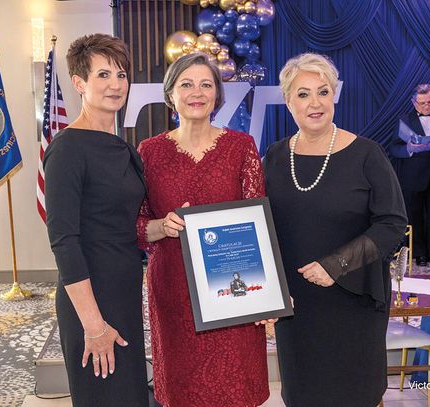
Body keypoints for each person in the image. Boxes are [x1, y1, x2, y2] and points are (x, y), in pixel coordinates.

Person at [264, 53, 407, 407]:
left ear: (334, 96)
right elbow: (261, 228)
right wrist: (266, 294)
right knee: (302, 395)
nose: (315, 103)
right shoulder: (275, 157)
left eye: (323, 92)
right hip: (296, 308)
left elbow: (392, 224)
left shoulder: (368, 154)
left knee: (354, 395)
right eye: (303, 94)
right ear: (288, 101)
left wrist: (336, 264)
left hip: (353, 302)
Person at [137, 52, 271, 407]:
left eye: (206, 84)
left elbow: (257, 224)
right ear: (170, 94)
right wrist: (162, 226)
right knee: (182, 391)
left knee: (235, 387)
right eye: (186, 84)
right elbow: (135, 225)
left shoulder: (241, 147)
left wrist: (266, 294)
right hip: (173, 288)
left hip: (231, 288)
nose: (196, 92)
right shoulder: (148, 152)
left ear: (217, 94)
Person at [43, 33, 148, 407]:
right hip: (91, 298)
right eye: (103, 75)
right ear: (79, 83)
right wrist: (94, 325)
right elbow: (64, 241)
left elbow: (126, 224)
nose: (116, 84)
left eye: (121, 74)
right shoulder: (67, 148)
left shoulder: (123, 147)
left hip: (124, 290)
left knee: (129, 395)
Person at [390, 84, 430, 266]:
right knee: (415, 217)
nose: (427, 106)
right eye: (422, 103)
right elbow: (394, 148)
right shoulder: (404, 120)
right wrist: (409, 148)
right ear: (414, 103)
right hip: (413, 177)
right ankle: (419, 253)